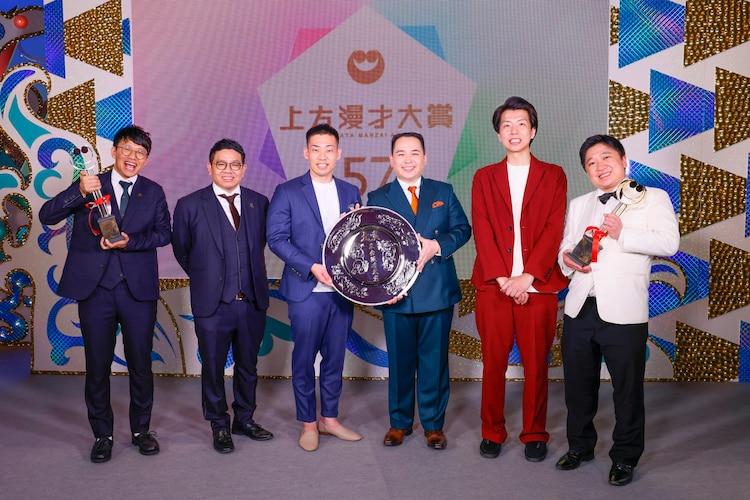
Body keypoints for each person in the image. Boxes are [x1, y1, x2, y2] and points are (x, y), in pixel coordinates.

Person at [39, 125, 170, 463]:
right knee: (97, 365)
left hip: (137, 291)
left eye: (140, 152)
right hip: (95, 290)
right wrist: (78, 191)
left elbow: (163, 234)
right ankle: (103, 434)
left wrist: (130, 241)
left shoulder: (153, 192)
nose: (132, 156)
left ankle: (141, 431)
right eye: (127, 149)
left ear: (146, 159)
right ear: (114, 151)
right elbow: (47, 215)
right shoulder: (90, 184)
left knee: (141, 364)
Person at [555, 134, 679, 486]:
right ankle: (579, 447)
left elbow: (669, 243)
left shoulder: (654, 197)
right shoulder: (579, 203)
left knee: (626, 389)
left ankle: (625, 457)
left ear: (624, 160)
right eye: (591, 162)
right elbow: (567, 245)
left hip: (624, 309)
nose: (599, 166)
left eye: (606, 158)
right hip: (580, 307)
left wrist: (624, 232)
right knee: (578, 385)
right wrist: (565, 260)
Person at [470, 96, 568, 462]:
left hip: (538, 285)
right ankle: (492, 431)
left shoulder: (553, 174)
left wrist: (527, 277)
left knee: (537, 364)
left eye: (521, 124)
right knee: (493, 362)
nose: (514, 131)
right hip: (493, 286)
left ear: (533, 131)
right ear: (499, 134)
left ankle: (535, 433)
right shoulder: (484, 177)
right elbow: (482, 229)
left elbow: (554, 228)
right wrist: (504, 279)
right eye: (507, 125)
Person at [367, 132, 471, 450]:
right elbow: (371, 248)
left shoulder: (443, 191)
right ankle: (399, 423)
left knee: (434, 362)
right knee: (399, 362)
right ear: (391, 160)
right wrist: (383, 288)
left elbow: (463, 229)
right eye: (401, 153)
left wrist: (437, 245)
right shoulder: (378, 197)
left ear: (425, 158)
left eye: (415, 153)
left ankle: (433, 425)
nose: (408, 159)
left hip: (436, 290)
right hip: (396, 295)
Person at [171, 138, 273, 454]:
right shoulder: (189, 205)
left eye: (235, 164)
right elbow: (182, 250)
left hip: (252, 302)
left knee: (248, 366)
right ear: (210, 167)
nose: (228, 170)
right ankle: (219, 424)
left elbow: (260, 245)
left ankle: (244, 419)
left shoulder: (259, 202)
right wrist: (208, 278)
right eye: (221, 164)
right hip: (212, 304)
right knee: (213, 367)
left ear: (244, 168)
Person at [266, 123, 362, 452]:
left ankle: (329, 419)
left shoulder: (351, 192)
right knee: (304, 359)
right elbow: (276, 238)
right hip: (305, 289)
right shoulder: (287, 191)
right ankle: (308, 423)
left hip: (342, 292)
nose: (323, 155)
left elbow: (358, 239)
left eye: (329, 149)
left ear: (338, 153)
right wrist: (311, 266)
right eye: (316, 149)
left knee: (335, 359)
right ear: (306, 153)